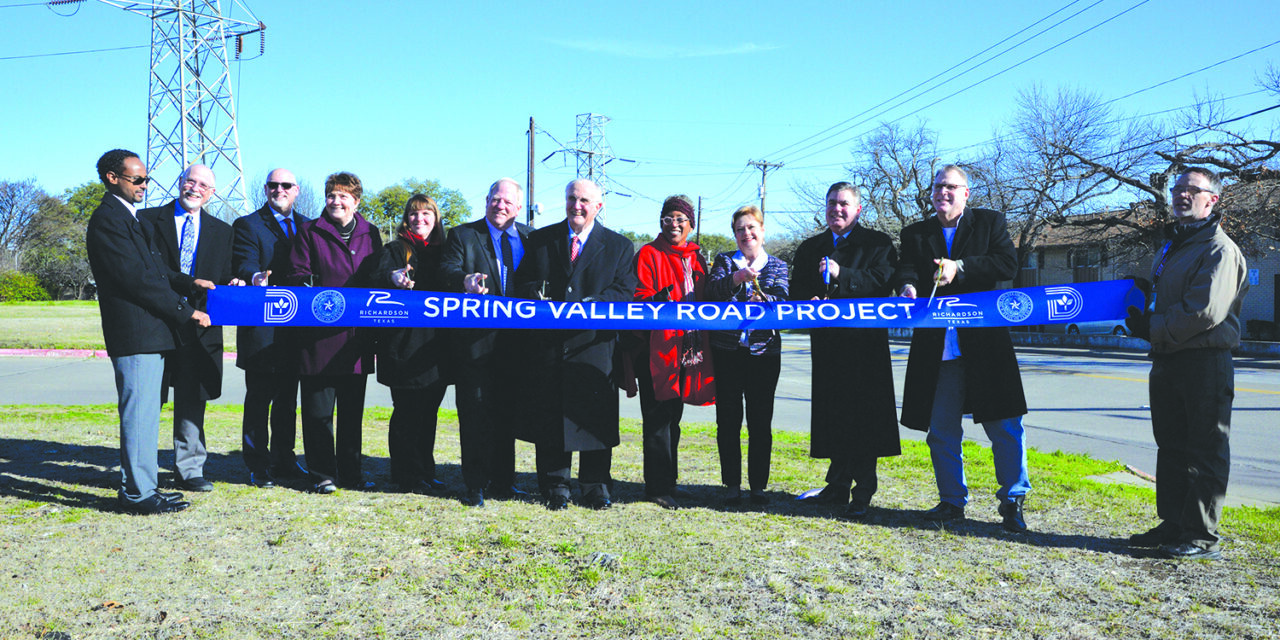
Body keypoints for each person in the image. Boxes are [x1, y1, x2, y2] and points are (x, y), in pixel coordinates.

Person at [894, 165, 1031, 533]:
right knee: (941, 430)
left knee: (1004, 426)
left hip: (986, 346)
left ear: (966, 193)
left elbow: (1006, 264)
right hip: (937, 350)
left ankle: (1013, 500)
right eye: (938, 187)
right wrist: (907, 286)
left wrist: (960, 267)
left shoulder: (990, 223)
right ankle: (952, 501)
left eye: (951, 187)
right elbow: (905, 269)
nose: (943, 193)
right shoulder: (915, 233)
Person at [1124, 168, 1248, 560]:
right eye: (1177, 189)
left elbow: (1204, 313)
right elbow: (1172, 297)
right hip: (1168, 358)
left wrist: (1151, 325)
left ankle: (1200, 534)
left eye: (1192, 190)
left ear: (1212, 200)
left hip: (1203, 362)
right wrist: (1145, 299)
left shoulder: (1218, 248)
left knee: (1205, 448)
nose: (1182, 195)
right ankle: (1174, 523)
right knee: (1172, 445)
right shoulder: (1175, 244)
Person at [85, 148, 212, 514]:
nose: (144, 185)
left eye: (146, 179)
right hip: (135, 334)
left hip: (151, 334)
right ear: (112, 178)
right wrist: (186, 312)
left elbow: (158, 272)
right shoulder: (108, 219)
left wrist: (190, 283)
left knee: (145, 417)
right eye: (137, 179)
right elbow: (136, 280)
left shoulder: (132, 218)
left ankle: (144, 487)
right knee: (139, 415)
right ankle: (138, 495)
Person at [515, 178, 638, 511]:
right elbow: (521, 283)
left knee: (594, 417)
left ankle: (595, 485)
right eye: (572, 198)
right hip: (549, 347)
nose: (577, 205)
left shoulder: (619, 246)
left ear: (598, 206)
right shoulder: (540, 239)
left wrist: (592, 304)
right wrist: (534, 293)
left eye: (585, 200)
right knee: (552, 417)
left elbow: (624, 292)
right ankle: (556, 484)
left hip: (594, 348)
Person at [791, 182, 900, 520]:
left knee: (865, 420)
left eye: (844, 204)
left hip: (865, 348)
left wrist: (843, 274)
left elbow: (883, 283)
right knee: (833, 415)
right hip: (828, 346)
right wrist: (806, 300)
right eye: (831, 204)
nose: (836, 210)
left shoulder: (878, 244)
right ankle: (836, 485)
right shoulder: (811, 248)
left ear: (858, 209)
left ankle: (863, 491)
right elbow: (797, 290)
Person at [284, 171, 382, 494]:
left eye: (343, 196)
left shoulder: (372, 233)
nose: (336, 201)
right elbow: (297, 273)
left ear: (356, 201)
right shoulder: (309, 231)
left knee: (351, 414)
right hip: (318, 339)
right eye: (331, 195)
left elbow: (378, 277)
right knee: (317, 412)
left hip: (356, 340)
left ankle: (352, 473)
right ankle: (322, 474)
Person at [438, 178, 534, 507]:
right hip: (475, 346)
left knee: (508, 415)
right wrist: (462, 280)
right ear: (487, 200)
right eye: (495, 199)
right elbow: (446, 269)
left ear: (519, 207)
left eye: (507, 201)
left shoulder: (530, 238)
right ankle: (475, 485)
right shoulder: (463, 235)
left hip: (517, 347)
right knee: (475, 415)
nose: (500, 205)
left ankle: (504, 483)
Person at [141, 164, 237, 493]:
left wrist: (237, 283)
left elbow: (224, 278)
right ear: (180, 183)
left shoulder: (223, 232)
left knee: (192, 397)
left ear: (212, 193)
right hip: (154, 320)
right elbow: (148, 270)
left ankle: (189, 469)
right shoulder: (147, 220)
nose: (195, 189)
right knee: (148, 398)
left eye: (204, 186)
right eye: (190, 181)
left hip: (201, 327)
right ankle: (141, 469)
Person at [630, 195, 714, 510]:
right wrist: (660, 297)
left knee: (674, 419)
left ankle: (671, 481)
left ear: (691, 224)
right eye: (669, 218)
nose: (674, 224)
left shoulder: (696, 257)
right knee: (656, 419)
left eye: (680, 219)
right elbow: (637, 297)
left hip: (686, 350)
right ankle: (656, 486)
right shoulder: (648, 254)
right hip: (656, 349)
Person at [232, 168, 311, 488]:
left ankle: (285, 459)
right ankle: (258, 465)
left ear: (297, 190)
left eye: (286, 185)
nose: (279, 190)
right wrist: (255, 277)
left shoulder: (309, 226)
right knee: (259, 400)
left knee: (287, 402)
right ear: (266, 190)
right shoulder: (248, 225)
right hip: (263, 327)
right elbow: (244, 261)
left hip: (298, 330)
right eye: (273, 185)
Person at [704, 205, 788, 506]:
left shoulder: (777, 265)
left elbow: (783, 298)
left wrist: (763, 298)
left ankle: (758, 487)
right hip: (728, 352)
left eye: (751, 228)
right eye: (740, 229)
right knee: (728, 420)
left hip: (764, 354)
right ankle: (731, 484)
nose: (746, 234)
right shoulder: (725, 261)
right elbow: (711, 293)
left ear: (762, 231)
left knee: (760, 421)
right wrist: (737, 279)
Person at [372, 194, 451, 496]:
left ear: (436, 217)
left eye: (426, 214)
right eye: (414, 215)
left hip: (436, 348)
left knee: (429, 412)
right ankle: (405, 474)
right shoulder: (395, 249)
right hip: (402, 346)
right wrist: (392, 278)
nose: (420, 220)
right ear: (406, 219)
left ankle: (425, 471)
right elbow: (376, 278)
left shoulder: (445, 251)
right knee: (406, 412)